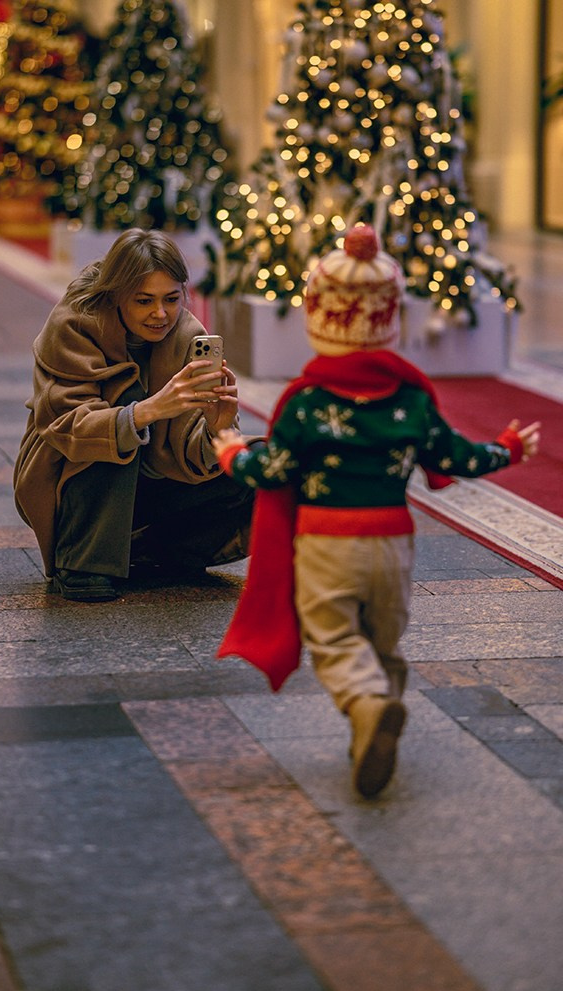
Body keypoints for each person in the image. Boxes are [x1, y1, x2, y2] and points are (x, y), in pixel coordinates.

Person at [211, 224, 540, 798]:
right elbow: (457, 457)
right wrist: (508, 448)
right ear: (388, 321)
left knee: (337, 641)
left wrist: (232, 454)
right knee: (381, 642)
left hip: (325, 545)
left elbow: (276, 471)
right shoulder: (411, 400)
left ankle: (367, 710)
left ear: (319, 317)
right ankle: (377, 719)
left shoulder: (307, 403)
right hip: (392, 544)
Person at [13, 228, 252, 602]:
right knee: (119, 421)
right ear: (117, 295)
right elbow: (68, 427)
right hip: (71, 479)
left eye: (172, 299)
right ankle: (82, 561)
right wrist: (148, 411)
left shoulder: (187, 334)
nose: (160, 314)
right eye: (144, 301)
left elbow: (189, 455)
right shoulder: (74, 323)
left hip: (154, 479)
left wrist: (218, 426)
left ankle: (154, 553)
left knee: (256, 472)